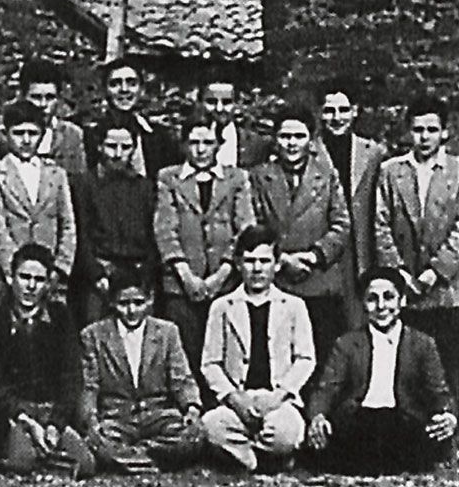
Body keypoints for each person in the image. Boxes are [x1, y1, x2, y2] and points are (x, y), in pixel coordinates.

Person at [306, 267, 456, 474]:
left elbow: (439, 391)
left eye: (389, 297)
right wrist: (318, 415)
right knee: (347, 436)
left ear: (402, 300)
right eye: (372, 299)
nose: (381, 306)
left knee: (416, 438)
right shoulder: (347, 343)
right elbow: (327, 387)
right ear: (363, 305)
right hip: (361, 418)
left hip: (402, 418)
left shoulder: (422, 343)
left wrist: (448, 416)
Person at [154, 111, 256, 399]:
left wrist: (222, 273)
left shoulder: (236, 178)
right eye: (194, 142)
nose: (200, 149)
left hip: (224, 282)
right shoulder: (169, 178)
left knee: (223, 351)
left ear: (218, 145)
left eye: (208, 142)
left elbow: (244, 228)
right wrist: (186, 275)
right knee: (186, 351)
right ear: (184, 144)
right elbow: (165, 229)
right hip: (181, 284)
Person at [201, 225, 315, 473]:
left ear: (276, 265)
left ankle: (250, 453)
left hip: (278, 400)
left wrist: (278, 396)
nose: (257, 268)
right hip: (238, 400)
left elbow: (305, 359)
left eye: (264, 261)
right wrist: (233, 397)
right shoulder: (222, 306)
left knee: (286, 431)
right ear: (239, 264)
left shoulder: (294, 306)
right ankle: (259, 460)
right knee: (211, 426)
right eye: (249, 261)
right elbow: (210, 363)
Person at [249, 106, 351, 378]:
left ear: (310, 139)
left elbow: (341, 225)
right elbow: (253, 225)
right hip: (278, 278)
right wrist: (282, 259)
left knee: (322, 356)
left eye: (299, 136)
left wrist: (313, 256)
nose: (291, 143)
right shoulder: (259, 177)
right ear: (275, 139)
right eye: (284, 136)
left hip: (319, 280)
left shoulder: (327, 175)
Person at [374, 95, 459, 405]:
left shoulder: (457, 171)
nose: (425, 137)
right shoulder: (390, 171)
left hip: (448, 291)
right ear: (408, 132)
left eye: (432, 130)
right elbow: (380, 224)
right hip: (406, 289)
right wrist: (399, 274)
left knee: (450, 366)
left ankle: (451, 439)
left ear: (445, 132)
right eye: (418, 130)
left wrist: (435, 272)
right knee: (408, 366)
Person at [0, 244, 93, 476]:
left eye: (39, 279)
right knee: (23, 461)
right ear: (11, 278)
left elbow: (71, 377)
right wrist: (26, 421)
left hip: (50, 411)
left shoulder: (60, 317)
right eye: (24, 277)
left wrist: (55, 424)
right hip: (15, 414)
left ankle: (49, 458)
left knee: (85, 465)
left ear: (48, 283)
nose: (31, 286)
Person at [78, 272, 203, 474]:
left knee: (193, 436)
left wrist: (191, 408)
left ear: (151, 299)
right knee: (98, 442)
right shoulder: (93, 335)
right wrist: (91, 420)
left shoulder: (167, 332)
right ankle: (148, 459)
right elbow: (89, 385)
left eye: (138, 302)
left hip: (158, 416)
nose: (131, 310)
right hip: (117, 419)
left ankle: (134, 457)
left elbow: (182, 379)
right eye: (123, 303)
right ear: (111, 302)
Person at [70, 113, 160, 326]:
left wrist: (144, 277)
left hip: (137, 276)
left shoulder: (145, 187)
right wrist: (97, 274)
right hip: (99, 277)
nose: (118, 154)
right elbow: (80, 235)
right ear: (100, 146)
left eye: (126, 147)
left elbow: (153, 236)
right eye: (111, 146)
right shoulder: (83, 185)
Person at [317, 81, 386, 330]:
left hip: (359, 248)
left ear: (355, 111)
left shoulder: (373, 153)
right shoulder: (310, 151)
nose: (337, 118)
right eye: (329, 111)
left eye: (343, 110)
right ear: (319, 113)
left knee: (358, 321)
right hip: (324, 244)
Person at [0, 100, 77, 290]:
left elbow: (68, 223)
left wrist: (60, 267)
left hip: (51, 273)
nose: (26, 140)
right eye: (19, 133)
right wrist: (12, 269)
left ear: (43, 134)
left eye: (33, 133)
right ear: (6, 134)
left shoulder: (56, 174)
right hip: (11, 276)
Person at [86, 58, 179, 180]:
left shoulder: (159, 136)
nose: (124, 89)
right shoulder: (90, 134)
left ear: (142, 90)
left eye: (132, 83)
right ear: (104, 90)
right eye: (115, 84)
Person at [13, 58, 87, 176]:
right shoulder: (6, 135)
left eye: (50, 97)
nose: (43, 105)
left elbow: (80, 182)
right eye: (36, 97)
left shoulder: (72, 135)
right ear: (22, 96)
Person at [196, 75, 269, 168]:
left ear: (237, 103)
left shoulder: (256, 144)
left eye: (226, 102)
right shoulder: (182, 142)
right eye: (211, 102)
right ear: (200, 103)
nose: (219, 109)